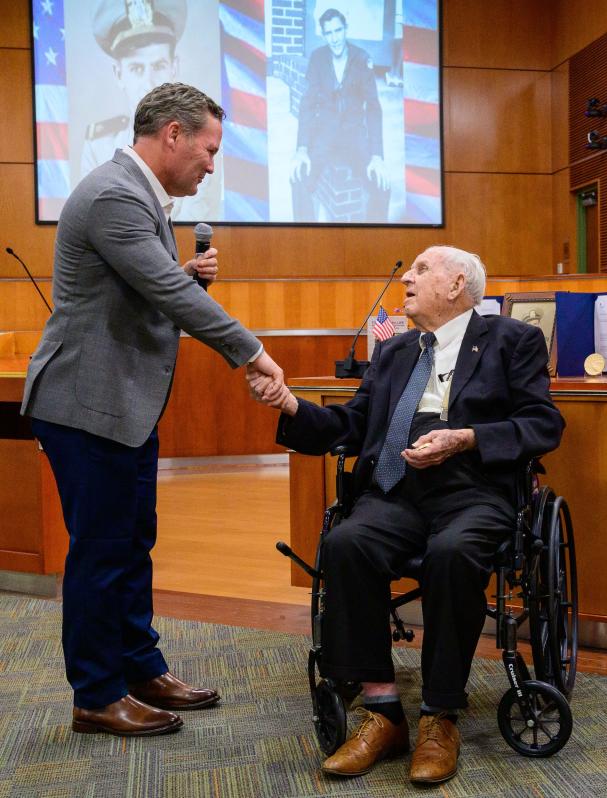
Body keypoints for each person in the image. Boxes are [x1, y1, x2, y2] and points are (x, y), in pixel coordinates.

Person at [21, 82, 285, 737]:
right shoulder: (115, 194)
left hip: (120, 404)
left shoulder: (139, 196)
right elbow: (163, 290)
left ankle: (139, 667)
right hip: (86, 404)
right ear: (172, 133)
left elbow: (143, 290)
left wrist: (189, 281)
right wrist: (249, 350)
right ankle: (96, 694)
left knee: (131, 544)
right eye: (209, 148)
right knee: (102, 552)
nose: (212, 163)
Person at [250, 246, 564, 784]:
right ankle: (384, 711)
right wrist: (292, 406)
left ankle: (440, 716)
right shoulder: (394, 352)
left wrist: (466, 438)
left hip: (474, 489)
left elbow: (543, 424)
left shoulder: (513, 339)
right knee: (347, 544)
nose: (407, 280)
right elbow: (351, 425)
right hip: (397, 492)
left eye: (421, 270)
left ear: (456, 283)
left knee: (452, 552)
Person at [83, 0, 220, 221]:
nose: (149, 81)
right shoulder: (97, 144)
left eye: (158, 66)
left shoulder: (198, 150)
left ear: (174, 67)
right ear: (118, 74)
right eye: (136, 69)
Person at [291, 7, 390, 222]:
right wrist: (301, 149)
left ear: (346, 29)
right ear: (323, 34)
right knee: (298, 179)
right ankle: (304, 245)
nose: (334, 38)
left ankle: (374, 246)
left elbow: (373, 108)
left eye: (338, 31)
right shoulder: (317, 58)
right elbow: (307, 105)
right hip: (323, 137)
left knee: (382, 185)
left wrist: (377, 155)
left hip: (355, 138)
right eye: (329, 33)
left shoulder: (362, 59)